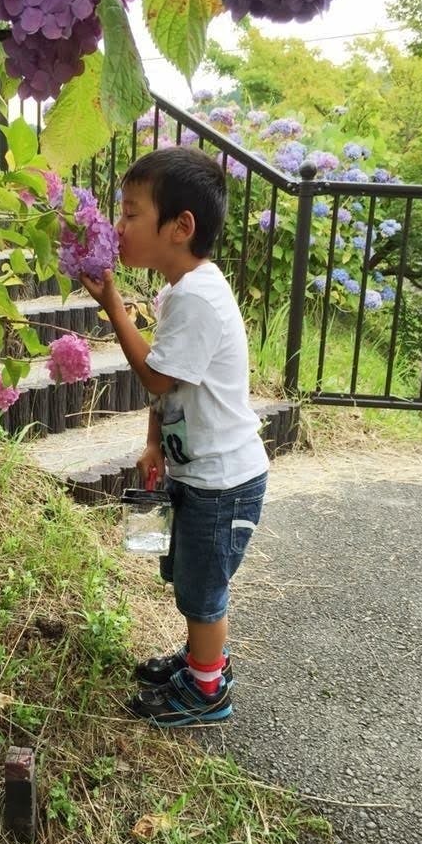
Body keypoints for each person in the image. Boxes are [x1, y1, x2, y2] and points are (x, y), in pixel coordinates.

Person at [80, 147, 269, 726]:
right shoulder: (181, 290)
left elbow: (157, 376)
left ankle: (208, 691)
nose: (118, 226)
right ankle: (200, 662)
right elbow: (172, 387)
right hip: (200, 471)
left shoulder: (196, 297)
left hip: (223, 481)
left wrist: (113, 304)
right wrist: (154, 442)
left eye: (131, 213)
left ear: (180, 227)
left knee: (202, 591)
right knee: (189, 575)